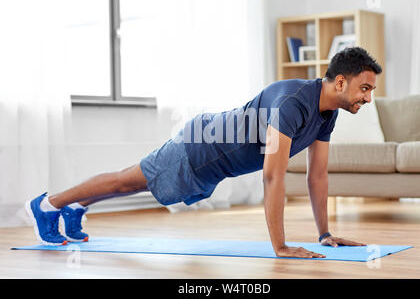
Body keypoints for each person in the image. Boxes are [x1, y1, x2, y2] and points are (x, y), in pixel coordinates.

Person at [26, 46, 381, 258]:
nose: (368, 97)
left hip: (215, 163)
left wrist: (324, 235)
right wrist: (281, 247)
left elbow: (316, 175)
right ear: (339, 81)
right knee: (126, 182)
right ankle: (48, 205)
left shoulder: (327, 113)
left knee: (134, 185)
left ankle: (75, 207)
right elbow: (272, 175)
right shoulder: (292, 103)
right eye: (364, 88)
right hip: (198, 147)